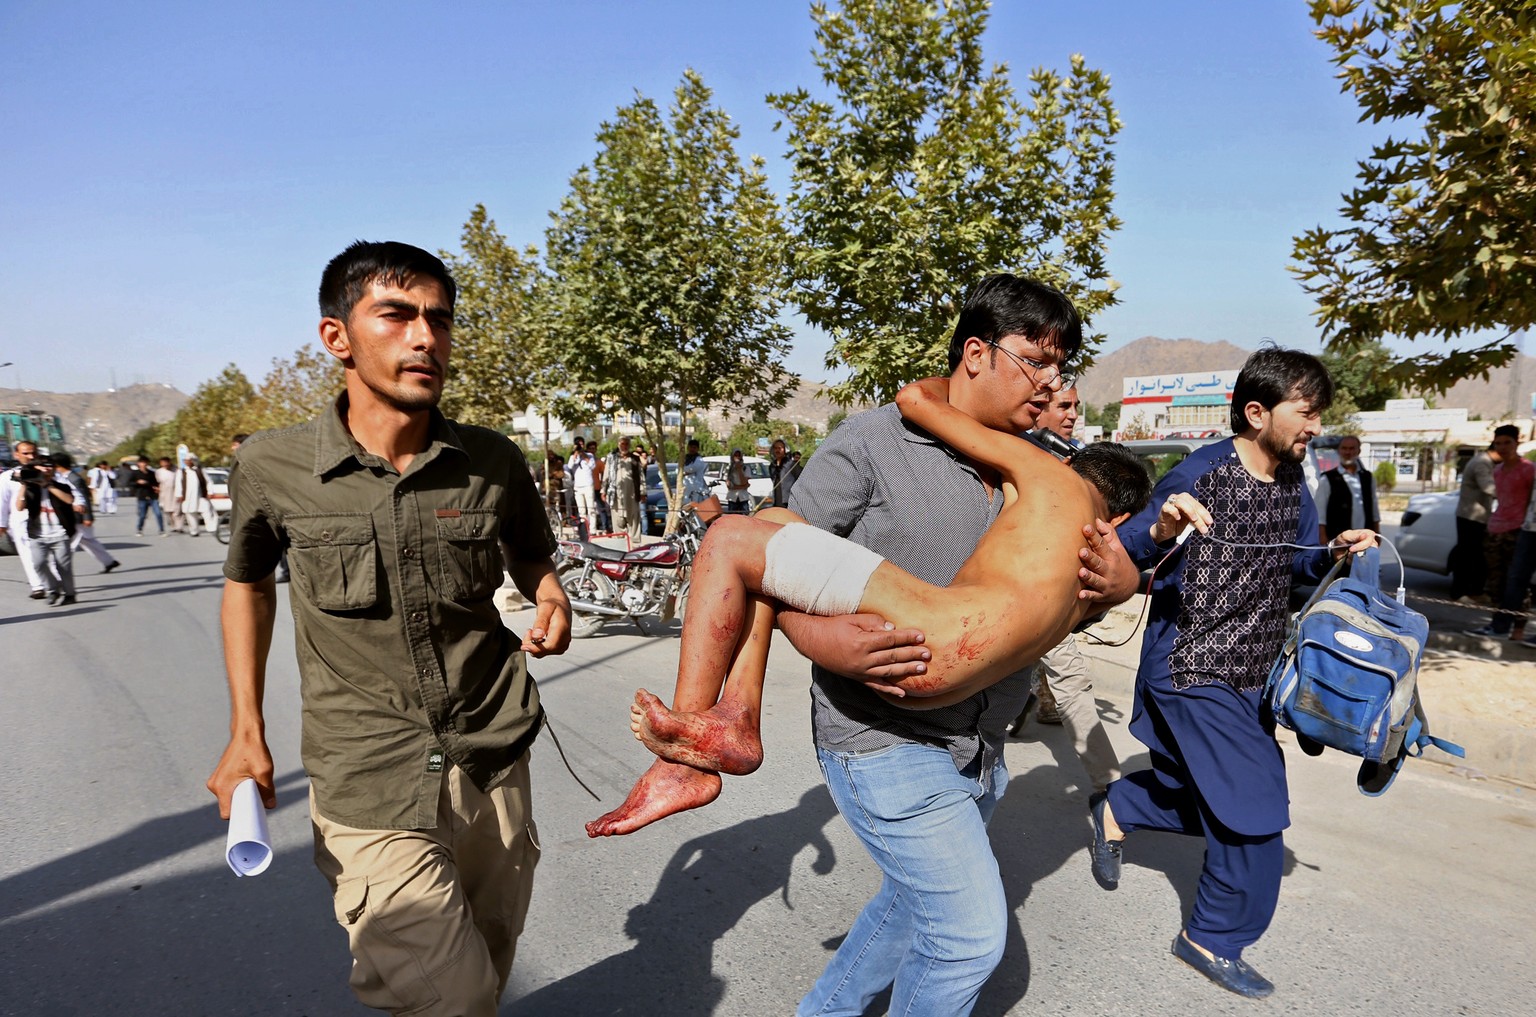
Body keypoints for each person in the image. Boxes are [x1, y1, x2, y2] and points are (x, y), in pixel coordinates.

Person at [592, 274, 1143, 1017]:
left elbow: (1030, 619)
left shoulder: (1038, 463)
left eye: (1061, 366)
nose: (1051, 383)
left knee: (906, 913)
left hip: (979, 748)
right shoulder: (873, 443)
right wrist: (829, 644)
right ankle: (704, 735)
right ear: (976, 353)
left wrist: (1111, 586)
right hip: (882, 739)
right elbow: (777, 560)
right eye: (1036, 362)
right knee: (968, 938)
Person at [207, 241, 572, 1017]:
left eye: (439, 320)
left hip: (492, 758)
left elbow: (531, 554)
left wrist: (551, 598)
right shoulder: (274, 467)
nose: (424, 338)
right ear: (337, 336)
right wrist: (246, 728)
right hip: (368, 776)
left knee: (486, 969)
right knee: (455, 996)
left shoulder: (493, 461)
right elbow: (246, 585)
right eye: (397, 315)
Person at [1090, 347, 1377, 1000]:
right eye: (1306, 413)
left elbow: (1297, 570)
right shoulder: (1202, 473)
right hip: (1192, 666)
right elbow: (1128, 550)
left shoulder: (1293, 482)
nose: (1314, 427)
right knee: (1253, 808)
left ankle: (1118, 806)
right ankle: (1212, 937)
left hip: (1252, 677)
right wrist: (1161, 527)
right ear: (1257, 412)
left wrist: (1332, 551)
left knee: (1211, 801)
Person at [1009, 382, 1120, 794]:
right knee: (1071, 679)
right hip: (1032, 592)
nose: (1072, 414)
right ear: (1038, 411)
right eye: (1063, 406)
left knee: (1047, 672)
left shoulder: (1072, 464)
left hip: (1055, 596)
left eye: (1076, 406)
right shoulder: (1022, 459)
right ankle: (1110, 789)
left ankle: (1020, 701)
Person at [1464, 425, 1536, 639]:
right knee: (1496, 582)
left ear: (1517, 443)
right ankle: (1498, 625)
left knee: (1518, 581)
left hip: (1519, 530)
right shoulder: (1497, 470)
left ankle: (1518, 628)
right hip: (1496, 529)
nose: (1503, 447)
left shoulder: (1529, 470)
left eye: (1507, 443)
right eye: (1498, 443)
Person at [12, 452, 80, 605]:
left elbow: (69, 500)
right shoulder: (31, 489)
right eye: (42, 467)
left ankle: (70, 594)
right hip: (37, 535)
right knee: (38, 564)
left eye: (50, 467)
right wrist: (24, 484)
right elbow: (19, 506)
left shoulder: (61, 485)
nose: (46, 469)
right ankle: (53, 589)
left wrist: (47, 485)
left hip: (60, 533)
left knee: (63, 567)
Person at [53, 453, 119, 573]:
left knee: (68, 545)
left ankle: (59, 571)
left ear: (57, 465)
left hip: (78, 518)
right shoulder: (63, 477)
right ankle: (109, 561)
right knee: (88, 541)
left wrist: (87, 517)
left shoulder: (74, 478)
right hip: (74, 517)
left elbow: (84, 498)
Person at [0, 440, 49, 599]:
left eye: (33, 453)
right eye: (25, 453)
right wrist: (2, 524)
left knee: (51, 552)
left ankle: (56, 583)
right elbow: (2, 501)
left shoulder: (48, 473)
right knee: (27, 554)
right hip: (20, 521)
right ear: (16, 455)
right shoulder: (8, 477)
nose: (30, 456)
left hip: (47, 519)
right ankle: (38, 586)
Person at [1314, 434, 1379, 545]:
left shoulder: (1367, 477)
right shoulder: (1328, 478)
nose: (1348, 452)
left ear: (1358, 451)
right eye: (1344, 448)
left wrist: (1376, 532)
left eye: (1352, 448)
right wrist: (1322, 536)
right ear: (1339, 451)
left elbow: (1373, 507)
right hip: (1338, 539)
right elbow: (1320, 512)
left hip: (1364, 538)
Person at [1451, 443, 1496, 600]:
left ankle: (1474, 591)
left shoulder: (1486, 461)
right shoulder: (1482, 462)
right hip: (1471, 517)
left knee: (1475, 556)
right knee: (1467, 556)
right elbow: (1489, 488)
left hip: (1477, 517)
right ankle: (1460, 592)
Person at [604, 436, 643, 543]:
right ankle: (619, 545)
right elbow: (606, 475)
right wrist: (603, 490)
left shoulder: (634, 459)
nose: (624, 446)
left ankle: (635, 545)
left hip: (632, 494)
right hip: (616, 495)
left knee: (634, 520)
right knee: (617, 520)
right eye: (622, 444)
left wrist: (643, 492)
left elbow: (641, 476)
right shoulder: (611, 458)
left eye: (626, 444)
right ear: (618, 444)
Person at [174, 455, 218, 536]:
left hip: (201, 496)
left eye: (189, 460)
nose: (187, 462)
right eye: (186, 460)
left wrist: (210, 492)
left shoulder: (200, 470)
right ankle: (194, 531)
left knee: (207, 511)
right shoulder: (182, 471)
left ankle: (212, 528)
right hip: (187, 497)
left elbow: (208, 481)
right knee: (190, 513)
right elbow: (178, 484)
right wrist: (179, 495)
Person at [127, 456, 163, 536]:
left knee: (158, 513)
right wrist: (137, 482)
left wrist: (156, 487)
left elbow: (155, 483)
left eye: (146, 462)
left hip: (152, 496)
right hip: (142, 496)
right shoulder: (135, 473)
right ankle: (139, 529)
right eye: (142, 462)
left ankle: (161, 530)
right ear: (138, 464)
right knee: (142, 515)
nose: (144, 464)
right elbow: (129, 483)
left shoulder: (151, 473)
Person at [570, 437, 598, 536]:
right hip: (578, 486)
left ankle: (593, 529)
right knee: (581, 510)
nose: (580, 446)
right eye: (578, 444)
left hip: (588, 485)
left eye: (582, 444)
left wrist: (584, 455)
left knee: (591, 508)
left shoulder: (589, 455)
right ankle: (584, 529)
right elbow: (570, 466)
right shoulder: (573, 456)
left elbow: (592, 466)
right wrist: (575, 454)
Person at [768, 439, 800, 508]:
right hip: (776, 501)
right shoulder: (772, 466)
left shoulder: (791, 464)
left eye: (779, 448)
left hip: (788, 501)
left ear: (785, 450)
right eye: (775, 448)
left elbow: (800, 478)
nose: (777, 450)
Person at [156, 456, 181, 534]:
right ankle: (173, 526)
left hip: (176, 492)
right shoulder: (159, 471)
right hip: (165, 493)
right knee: (168, 511)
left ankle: (179, 526)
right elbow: (157, 482)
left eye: (166, 462)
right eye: (163, 463)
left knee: (177, 510)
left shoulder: (176, 470)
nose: (165, 464)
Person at [724, 448, 750, 513]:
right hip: (732, 498)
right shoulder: (728, 469)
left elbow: (744, 482)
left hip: (743, 498)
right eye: (735, 455)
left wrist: (739, 470)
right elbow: (730, 486)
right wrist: (743, 486)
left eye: (739, 455)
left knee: (745, 518)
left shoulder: (745, 468)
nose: (737, 457)